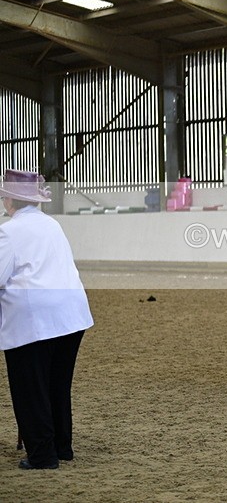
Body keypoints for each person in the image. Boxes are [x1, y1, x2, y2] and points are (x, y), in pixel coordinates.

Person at [0, 169, 93, 469]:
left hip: (34, 318)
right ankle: (62, 447)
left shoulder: (9, 231)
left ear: (11, 199)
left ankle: (42, 455)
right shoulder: (52, 225)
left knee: (30, 387)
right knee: (56, 385)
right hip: (71, 314)